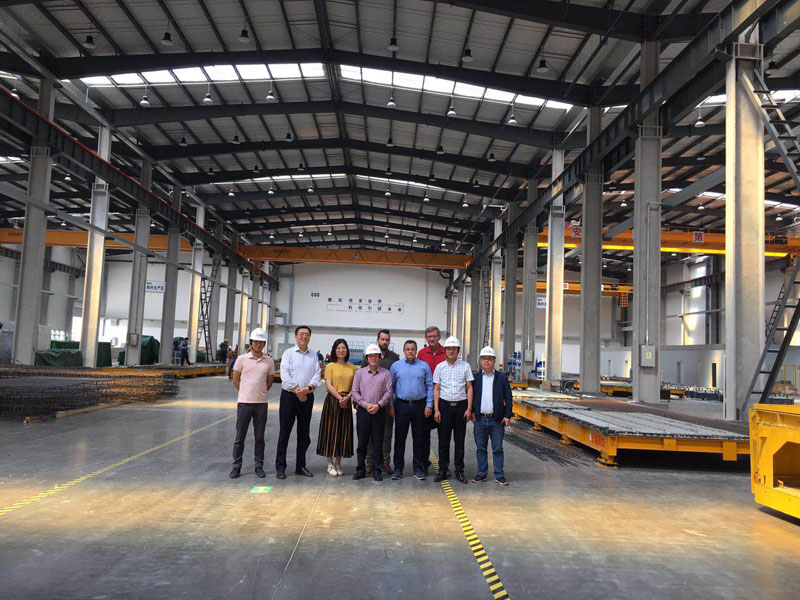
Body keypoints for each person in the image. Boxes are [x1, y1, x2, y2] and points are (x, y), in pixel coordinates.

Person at [229, 328, 275, 479]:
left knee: (259, 438)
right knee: (239, 437)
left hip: (261, 404)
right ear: (251, 343)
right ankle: (236, 467)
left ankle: (258, 466)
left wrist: (259, 392)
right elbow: (236, 379)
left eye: (261, 342)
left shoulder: (269, 361)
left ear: (264, 344)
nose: (258, 344)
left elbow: (269, 382)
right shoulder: (241, 359)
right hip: (244, 403)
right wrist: (245, 392)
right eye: (255, 341)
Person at [276, 326, 321, 479]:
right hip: (289, 398)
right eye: (301, 334)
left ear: (310, 337)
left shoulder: (313, 356)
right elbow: (284, 375)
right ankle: (280, 467)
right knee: (284, 433)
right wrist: (297, 390)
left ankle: (300, 466)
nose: (304, 337)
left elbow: (317, 375)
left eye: (307, 334)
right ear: (295, 337)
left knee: (304, 434)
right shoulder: (288, 354)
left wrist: (307, 389)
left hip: (307, 398)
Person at [389, 340, 433, 480]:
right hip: (401, 406)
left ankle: (418, 468)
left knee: (419, 439)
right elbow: (391, 387)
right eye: (407, 349)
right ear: (404, 351)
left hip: (420, 406)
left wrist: (429, 405)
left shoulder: (424, 366)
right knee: (399, 439)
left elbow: (430, 386)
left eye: (413, 349)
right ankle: (398, 469)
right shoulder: (396, 366)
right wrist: (391, 405)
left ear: (416, 351)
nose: (410, 351)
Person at [433, 336, 474, 484]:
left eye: (454, 349)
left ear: (458, 350)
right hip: (444, 406)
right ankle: (443, 470)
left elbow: (469, 388)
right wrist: (436, 409)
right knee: (443, 441)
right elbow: (436, 389)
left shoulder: (465, 366)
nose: (451, 351)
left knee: (459, 441)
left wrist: (469, 408)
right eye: (448, 349)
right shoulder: (440, 367)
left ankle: (459, 471)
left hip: (461, 406)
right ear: (445, 350)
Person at [471, 346, 513, 486]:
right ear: (480, 361)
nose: (486, 361)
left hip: (497, 420)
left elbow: (508, 397)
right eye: (484, 359)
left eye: (489, 359)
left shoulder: (502, 378)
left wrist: (507, 415)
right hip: (480, 419)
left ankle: (499, 475)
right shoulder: (475, 378)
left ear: (494, 361)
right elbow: (471, 396)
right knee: (481, 449)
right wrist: (472, 412)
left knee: (498, 449)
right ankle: (481, 473)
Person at [360, 330, 400, 475]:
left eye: (387, 339)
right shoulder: (368, 356)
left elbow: (394, 382)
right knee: (370, 435)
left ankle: (385, 463)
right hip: (369, 403)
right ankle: (369, 463)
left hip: (386, 403)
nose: (385, 342)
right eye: (382, 339)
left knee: (386, 435)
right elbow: (362, 378)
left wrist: (391, 404)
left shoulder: (394, 358)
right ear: (377, 340)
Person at [351, 343, 393, 481]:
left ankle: (377, 470)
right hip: (363, 412)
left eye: (375, 356)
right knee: (362, 443)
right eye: (370, 356)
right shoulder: (359, 373)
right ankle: (360, 469)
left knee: (377, 442)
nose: (373, 358)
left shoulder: (386, 374)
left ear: (379, 357)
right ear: (367, 358)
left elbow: (388, 392)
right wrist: (366, 405)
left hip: (379, 412)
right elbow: (355, 392)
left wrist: (378, 405)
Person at [316, 338, 356, 476]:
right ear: (334, 350)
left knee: (342, 432)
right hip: (333, 401)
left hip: (346, 401)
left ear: (347, 350)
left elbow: (355, 386)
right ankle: (330, 463)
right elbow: (328, 385)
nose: (341, 350)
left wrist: (347, 397)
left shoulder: (352, 368)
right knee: (330, 431)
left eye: (343, 348)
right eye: (338, 348)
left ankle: (338, 463)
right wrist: (340, 398)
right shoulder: (330, 366)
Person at [417, 326, 447, 475]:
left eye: (434, 336)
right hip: (427, 399)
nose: (432, 339)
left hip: (444, 398)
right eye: (429, 336)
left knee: (444, 435)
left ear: (439, 337)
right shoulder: (421, 354)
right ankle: (424, 463)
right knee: (424, 435)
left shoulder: (446, 352)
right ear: (426, 338)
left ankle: (444, 466)